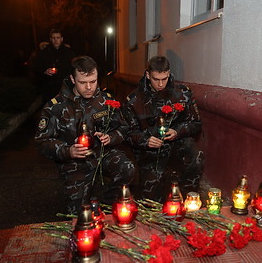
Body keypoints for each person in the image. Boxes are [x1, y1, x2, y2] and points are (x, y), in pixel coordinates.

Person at [35, 55, 135, 215]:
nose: (89, 87)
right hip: (74, 163)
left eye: (93, 81)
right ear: (72, 79)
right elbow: (42, 142)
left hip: (102, 153)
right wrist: (68, 151)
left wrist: (111, 137)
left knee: (127, 168)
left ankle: (106, 204)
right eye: (83, 82)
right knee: (79, 215)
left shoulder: (106, 100)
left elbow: (123, 128)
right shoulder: (55, 107)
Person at [122, 56, 204, 202]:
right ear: (148, 75)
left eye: (164, 79)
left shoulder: (183, 93)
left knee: (196, 157)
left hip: (176, 144)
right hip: (150, 152)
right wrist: (145, 140)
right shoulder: (134, 100)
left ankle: (188, 201)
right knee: (150, 199)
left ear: (169, 74)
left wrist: (178, 131)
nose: (160, 84)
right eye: (155, 79)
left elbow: (195, 124)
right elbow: (128, 133)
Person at [33, 29, 76, 105]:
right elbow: (37, 68)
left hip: (65, 87)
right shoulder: (44, 53)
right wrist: (45, 71)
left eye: (58, 37)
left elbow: (73, 68)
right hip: (49, 88)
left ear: (61, 39)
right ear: (50, 39)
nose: (56, 40)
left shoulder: (69, 53)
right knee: (50, 108)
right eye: (53, 38)